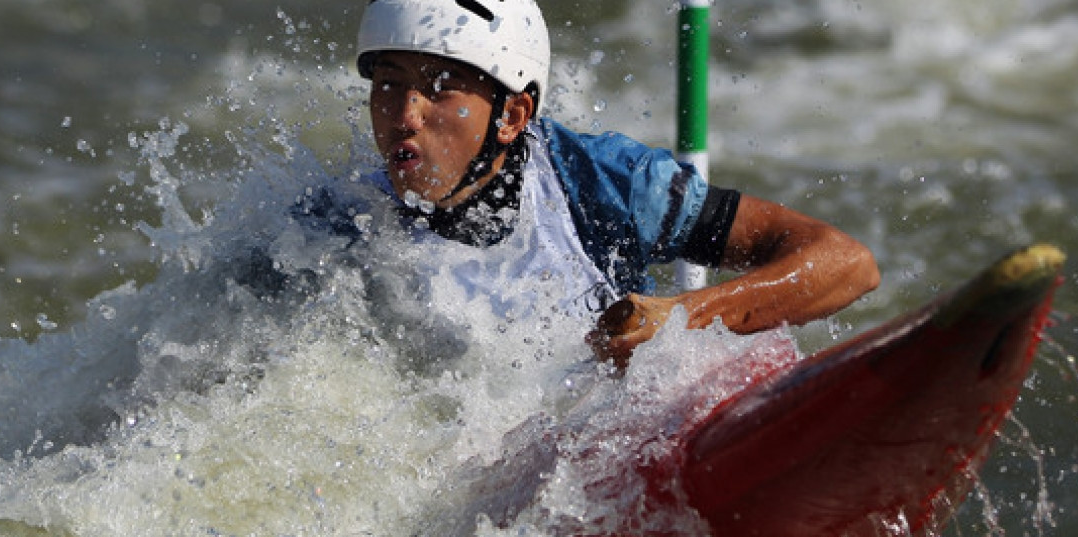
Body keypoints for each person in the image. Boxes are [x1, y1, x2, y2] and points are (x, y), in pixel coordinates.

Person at [348, 0, 880, 368]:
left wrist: (682, 317)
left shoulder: (604, 182)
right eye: (390, 84)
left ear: (512, 115)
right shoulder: (339, 229)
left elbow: (846, 263)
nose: (403, 115)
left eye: (438, 88)